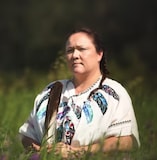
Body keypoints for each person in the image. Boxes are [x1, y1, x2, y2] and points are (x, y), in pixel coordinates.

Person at [19, 27, 140, 158]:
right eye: (70, 50)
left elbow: (126, 141)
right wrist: (42, 152)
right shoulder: (51, 90)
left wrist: (77, 152)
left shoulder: (114, 93)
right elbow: (26, 135)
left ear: (99, 54)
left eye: (82, 49)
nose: (75, 55)